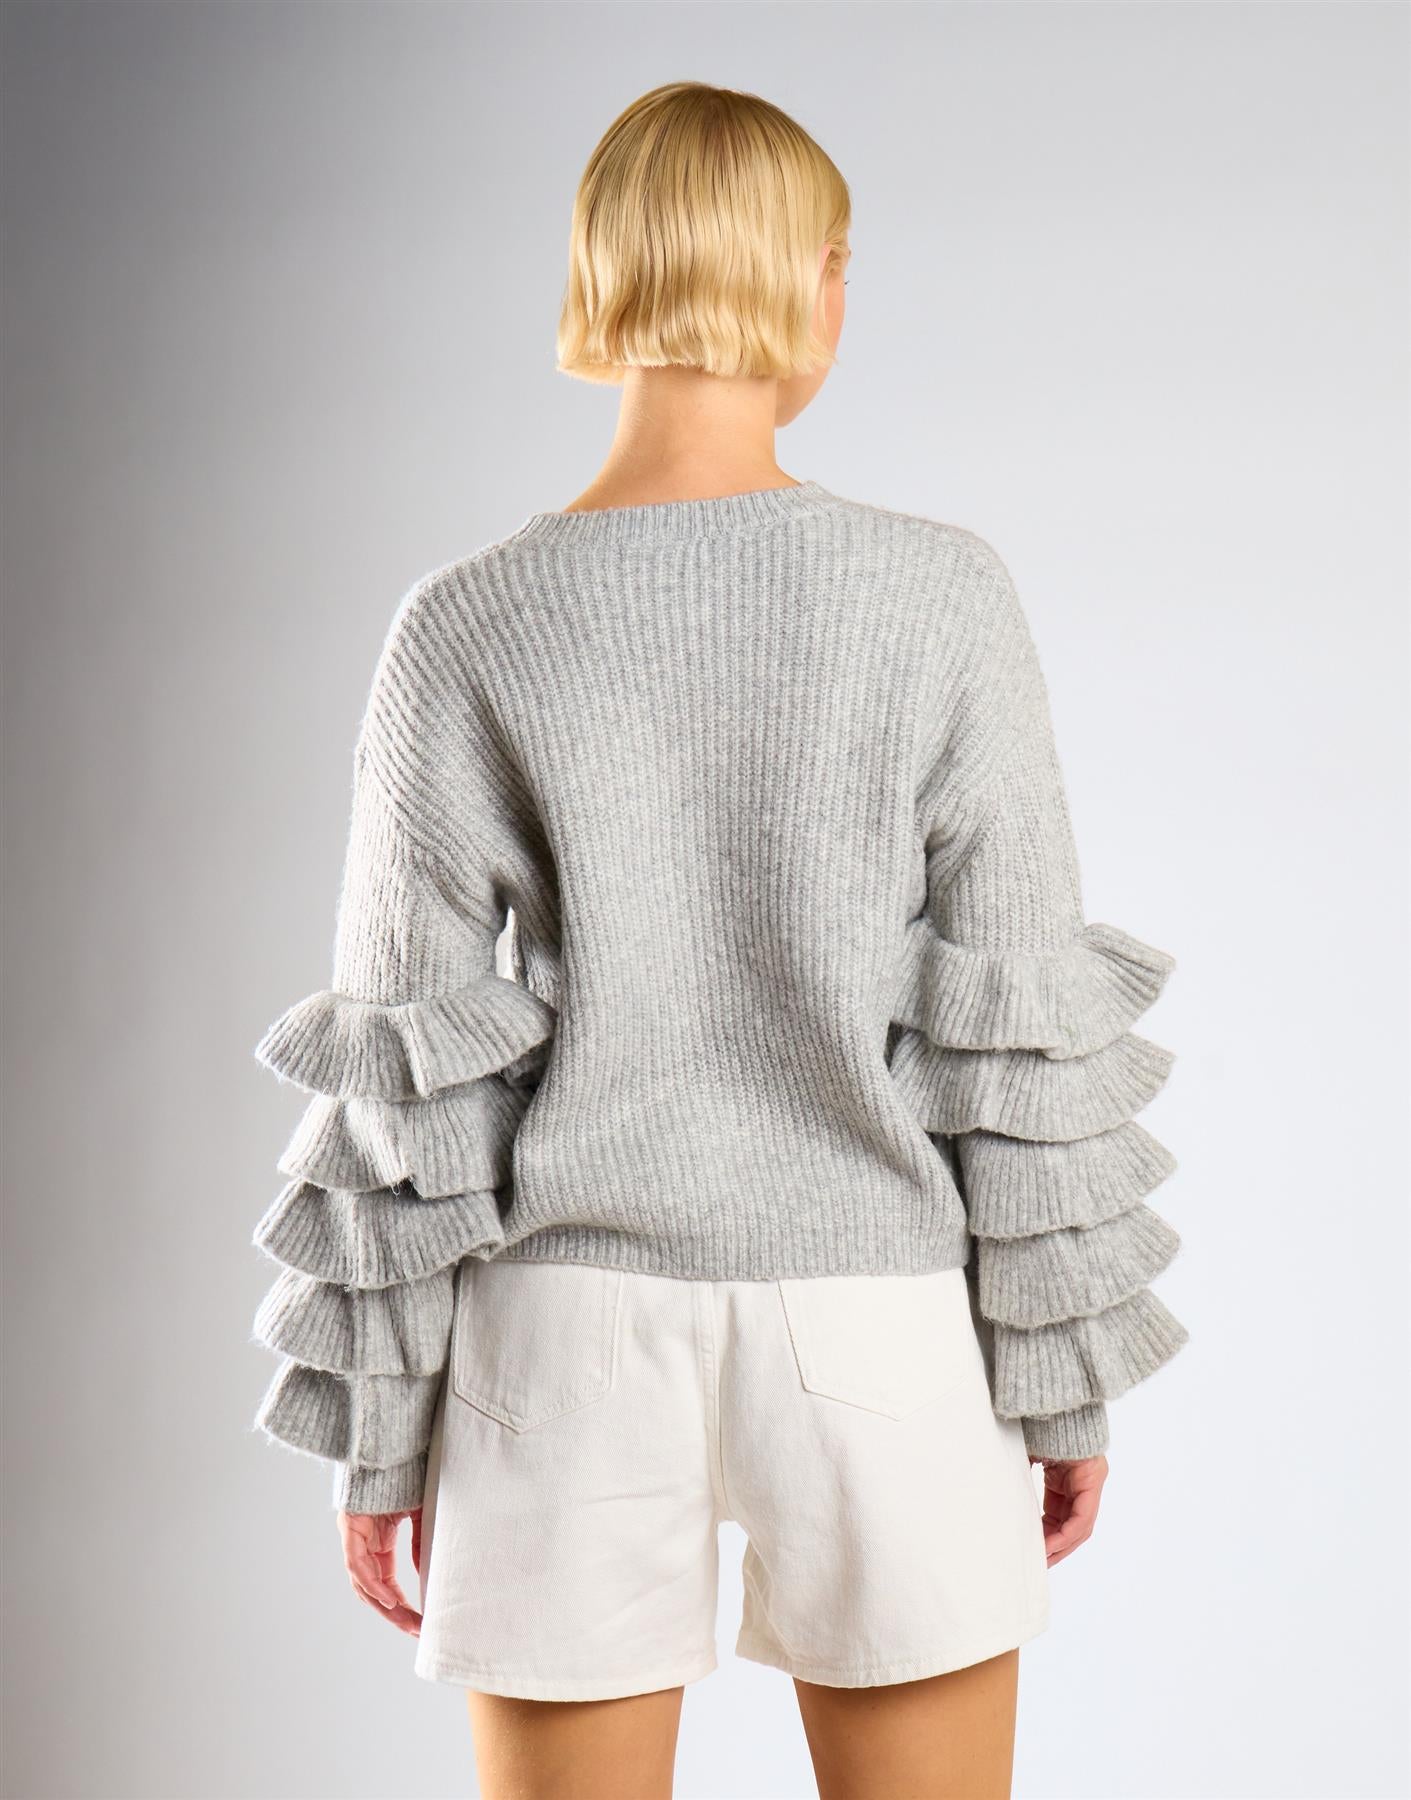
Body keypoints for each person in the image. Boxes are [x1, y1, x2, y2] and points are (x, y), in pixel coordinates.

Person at [248, 80, 1187, 1800]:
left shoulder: (466, 624)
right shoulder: (942, 597)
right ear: (816, 284)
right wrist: (1060, 1388)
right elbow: (1018, 1030)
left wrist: (381, 1442)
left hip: (563, 1333)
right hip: (878, 1318)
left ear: (601, 276)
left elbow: (403, 1076)